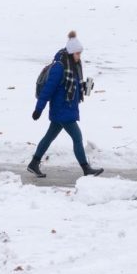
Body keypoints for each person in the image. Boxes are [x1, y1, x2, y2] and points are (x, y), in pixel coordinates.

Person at [28, 31, 103, 178]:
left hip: (66, 109)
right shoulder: (59, 68)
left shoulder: (72, 67)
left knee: (49, 137)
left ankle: (33, 163)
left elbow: (71, 87)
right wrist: (38, 109)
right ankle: (86, 168)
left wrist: (85, 88)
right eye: (77, 54)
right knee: (77, 137)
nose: (79, 57)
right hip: (62, 110)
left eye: (79, 54)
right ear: (70, 53)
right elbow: (48, 90)